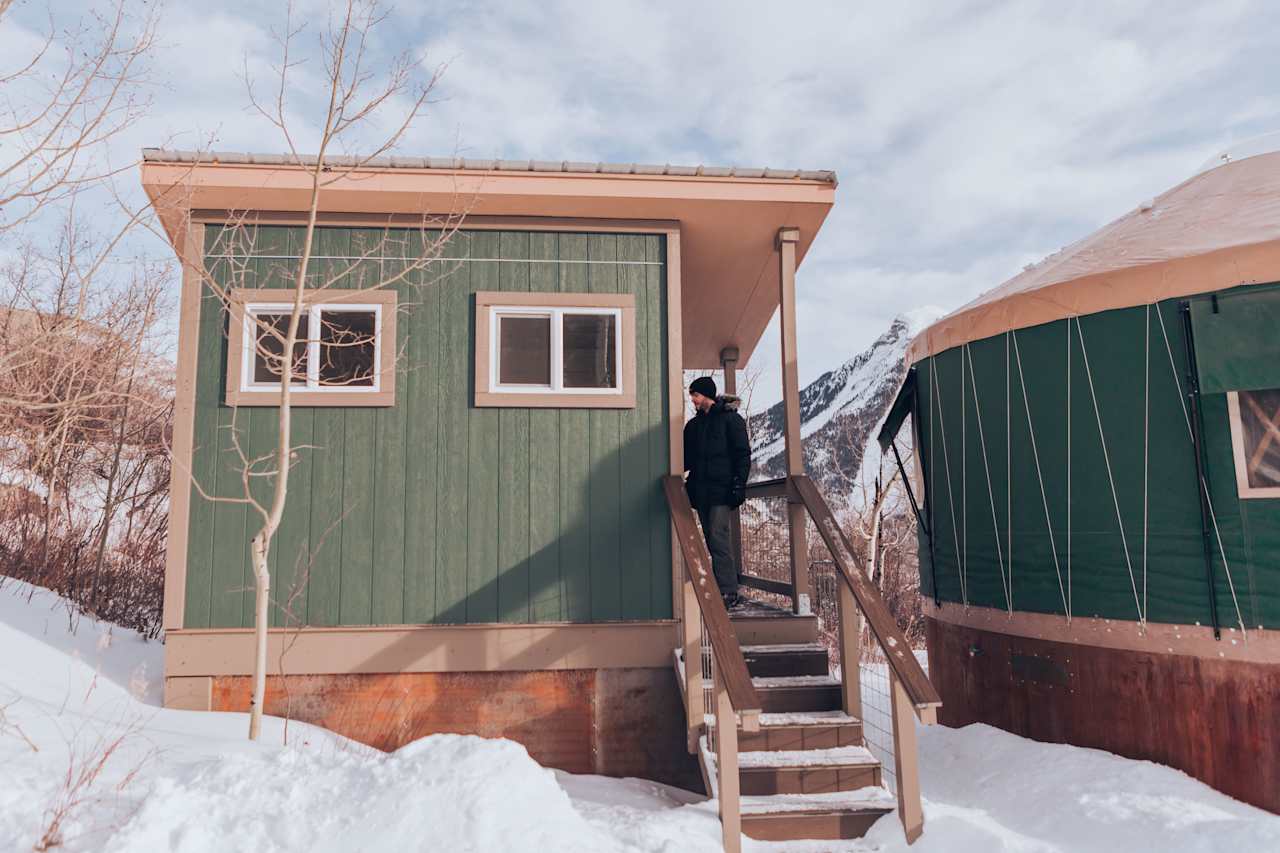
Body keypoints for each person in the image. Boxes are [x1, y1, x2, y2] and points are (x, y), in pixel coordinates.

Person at [684, 375, 750, 609]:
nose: (692, 399)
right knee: (711, 539)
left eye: (695, 395)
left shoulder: (731, 421)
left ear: (706, 395)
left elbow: (743, 455)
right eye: (692, 395)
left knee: (719, 538)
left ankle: (728, 592)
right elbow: (685, 459)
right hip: (700, 492)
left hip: (722, 491)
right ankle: (718, 587)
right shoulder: (692, 427)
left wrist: (738, 485)